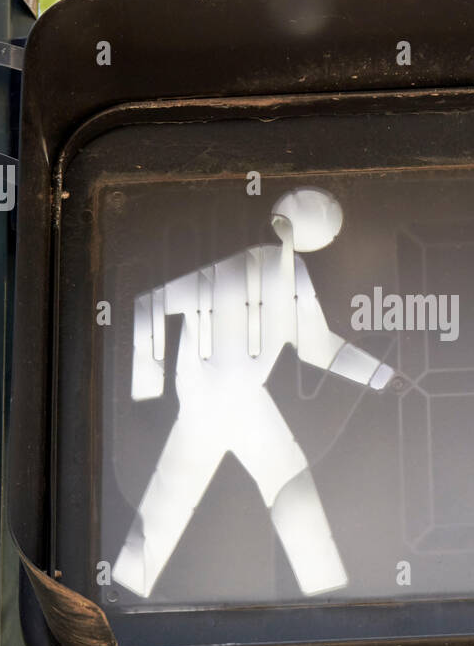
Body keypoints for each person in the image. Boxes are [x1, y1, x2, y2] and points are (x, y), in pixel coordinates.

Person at [113, 188, 394, 598]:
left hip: (247, 403)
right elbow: (152, 303)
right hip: (207, 404)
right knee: (173, 498)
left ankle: (329, 597)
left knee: (290, 489)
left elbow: (316, 346)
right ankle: (124, 593)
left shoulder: (292, 272)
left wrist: (381, 376)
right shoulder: (228, 271)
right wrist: (147, 385)